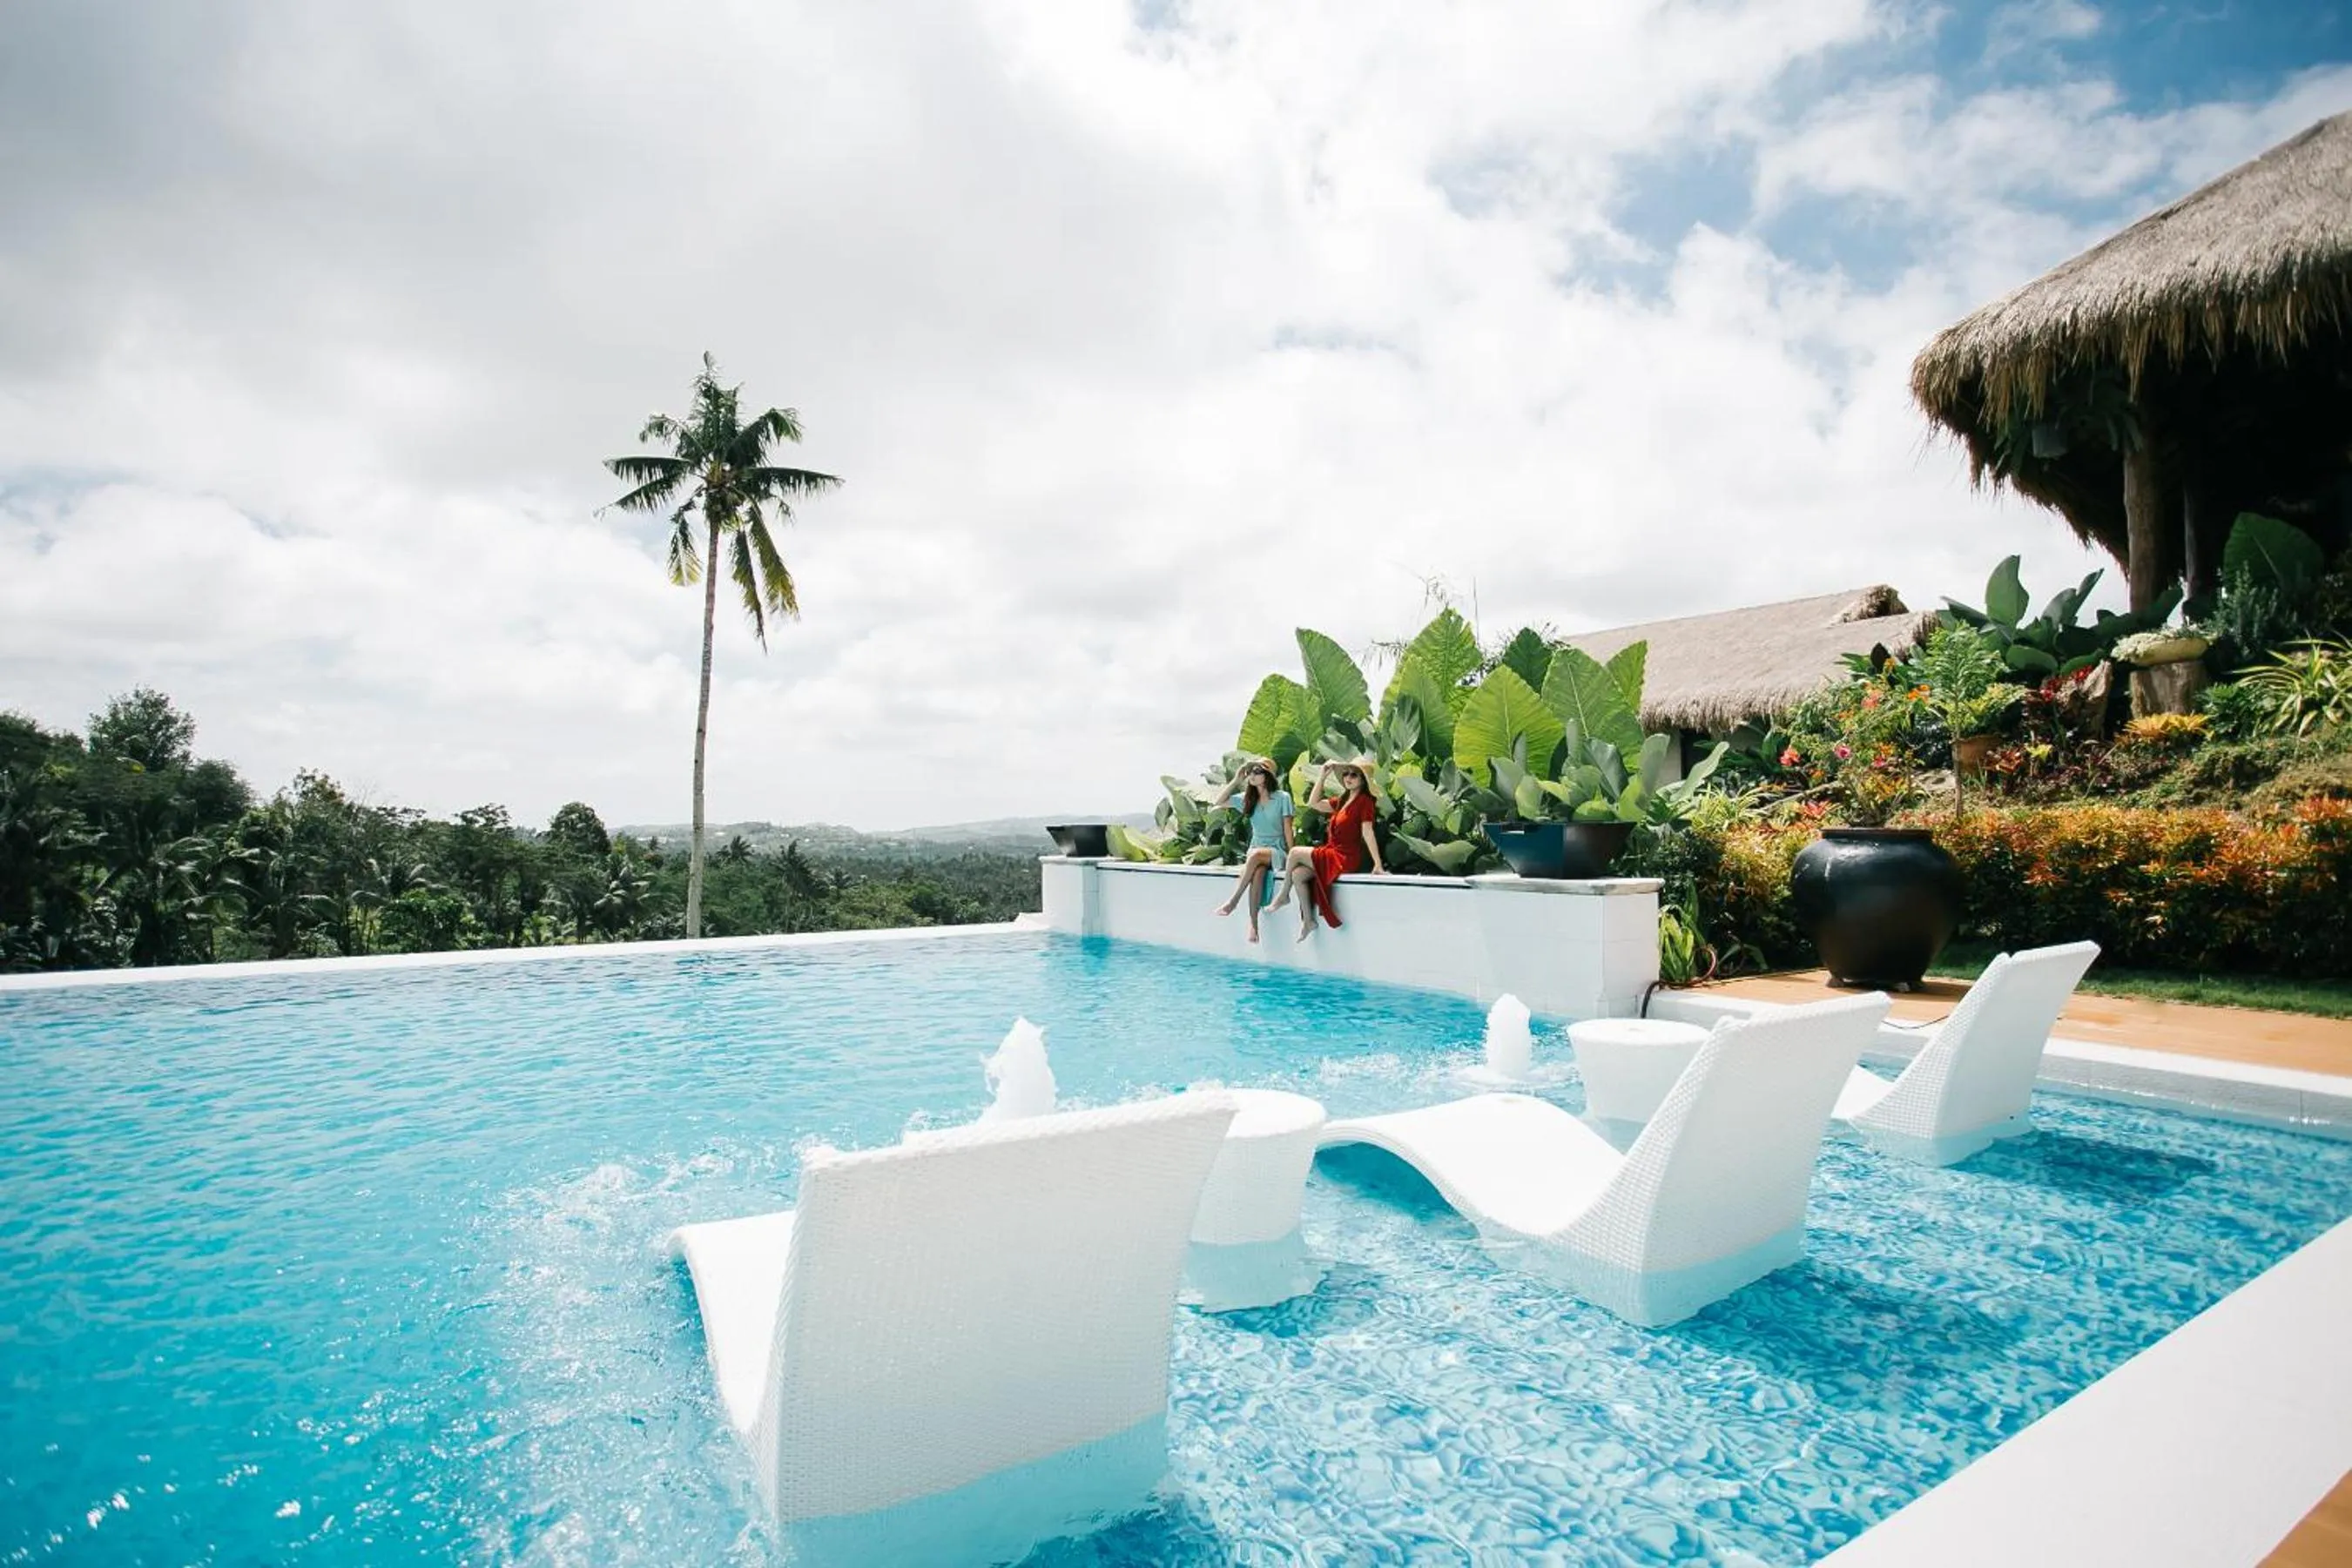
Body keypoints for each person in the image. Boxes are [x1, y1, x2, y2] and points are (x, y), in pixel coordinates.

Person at [1269, 757, 1385, 941]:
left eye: (1354, 775)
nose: (1348, 777)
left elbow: (1368, 832)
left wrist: (1377, 864)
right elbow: (1313, 803)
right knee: (1298, 874)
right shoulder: (1342, 800)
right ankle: (1308, 921)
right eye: (1346, 773)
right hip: (1332, 852)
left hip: (1345, 856)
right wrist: (1322, 776)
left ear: (1363, 779)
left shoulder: (1365, 802)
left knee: (1295, 852)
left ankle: (1283, 895)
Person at [1211, 757, 1292, 943]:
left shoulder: (1282, 798)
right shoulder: (1247, 799)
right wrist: (1237, 779)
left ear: (1267, 775)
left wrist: (1292, 855)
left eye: (1257, 771)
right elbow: (1219, 801)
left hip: (1276, 850)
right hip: (1256, 850)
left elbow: (1287, 828)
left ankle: (1233, 901)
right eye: (1250, 772)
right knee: (1258, 874)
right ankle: (1254, 926)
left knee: (1255, 857)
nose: (1252, 775)